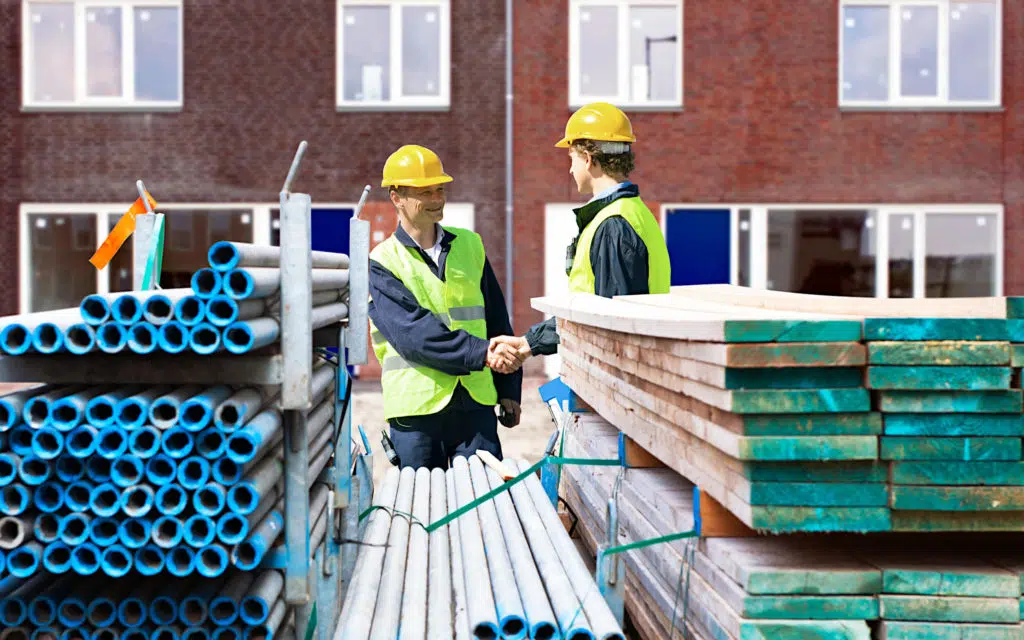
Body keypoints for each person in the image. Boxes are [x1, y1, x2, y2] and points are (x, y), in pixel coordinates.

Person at [367, 144, 523, 470]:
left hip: (476, 403)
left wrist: (509, 387)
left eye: (440, 189)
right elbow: (415, 336)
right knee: (422, 512)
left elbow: (495, 317)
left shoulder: (470, 244)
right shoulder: (381, 263)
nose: (437, 199)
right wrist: (485, 354)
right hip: (417, 412)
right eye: (426, 192)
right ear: (397, 197)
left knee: (481, 505)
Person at [496, 102, 672, 363]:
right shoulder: (634, 213)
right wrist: (528, 343)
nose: (570, 169)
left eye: (572, 159)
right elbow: (592, 311)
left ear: (588, 159)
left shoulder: (613, 224)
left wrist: (529, 345)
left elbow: (609, 323)